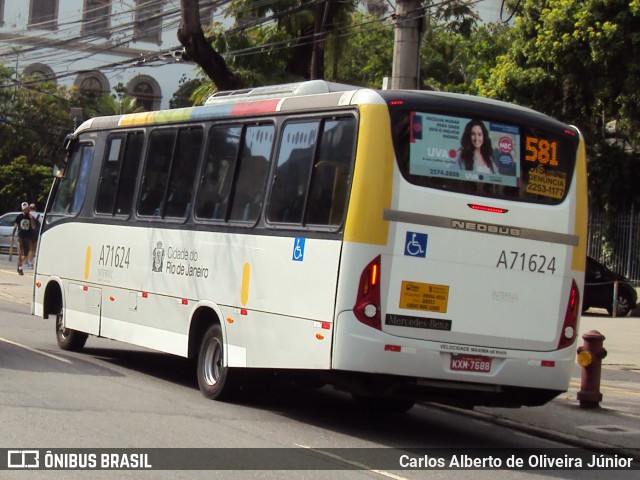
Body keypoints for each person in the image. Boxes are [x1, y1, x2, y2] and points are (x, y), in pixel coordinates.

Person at [11, 202, 35, 276]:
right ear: (22, 209)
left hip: (27, 237)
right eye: (24, 209)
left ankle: (19, 264)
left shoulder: (30, 217)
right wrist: (12, 235)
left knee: (26, 254)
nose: (26, 210)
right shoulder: (19, 217)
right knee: (20, 253)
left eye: (27, 209)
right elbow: (15, 226)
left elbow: (33, 227)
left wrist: (31, 219)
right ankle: (20, 268)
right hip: (20, 236)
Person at [27, 203, 41, 268]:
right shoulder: (38, 215)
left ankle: (29, 262)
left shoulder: (26, 215)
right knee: (34, 249)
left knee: (30, 249)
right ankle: (31, 262)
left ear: (29, 208)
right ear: (35, 208)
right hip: (35, 233)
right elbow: (42, 223)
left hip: (28, 233)